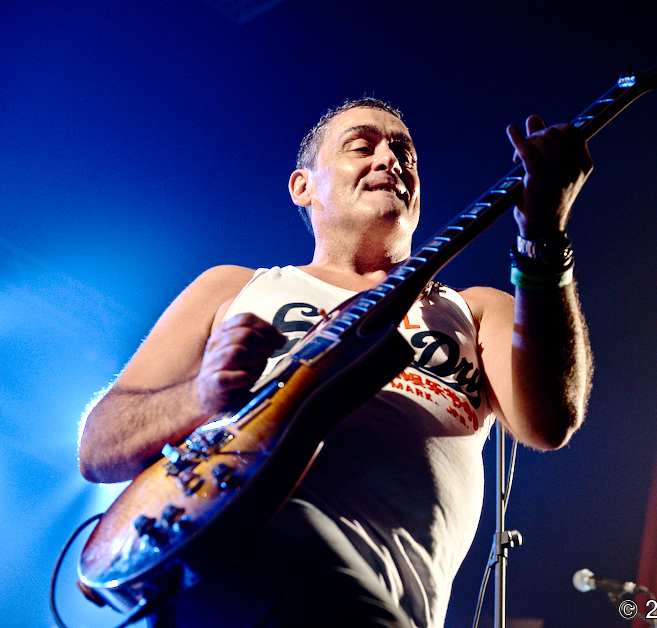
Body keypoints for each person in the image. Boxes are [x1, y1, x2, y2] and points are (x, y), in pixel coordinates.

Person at [78, 97, 593, 627]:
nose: (389, 160)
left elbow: (550, 422)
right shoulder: (233, 288)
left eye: (405, 154)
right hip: (236, 564)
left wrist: (544, 236)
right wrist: (200, 396)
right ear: (303, 187)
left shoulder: (476, 310)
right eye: (361, 147)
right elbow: (99, 448)